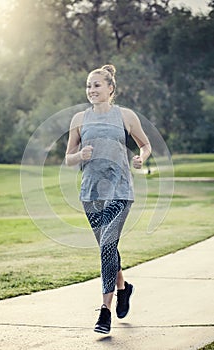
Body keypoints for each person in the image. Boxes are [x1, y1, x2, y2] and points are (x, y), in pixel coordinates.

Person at [65, 64, 151, 334]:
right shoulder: (79, 119)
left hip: (120, 191)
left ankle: (104, 312)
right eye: (89, 86)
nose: (92, 90)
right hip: (90, 194)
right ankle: (124, 288)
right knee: (107, 248)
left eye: (97, 85)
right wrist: (80, 156)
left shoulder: (125, 116)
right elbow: (68, 158)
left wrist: (141, 159)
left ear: (110, 88)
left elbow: (145, 144)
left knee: (106, 246)